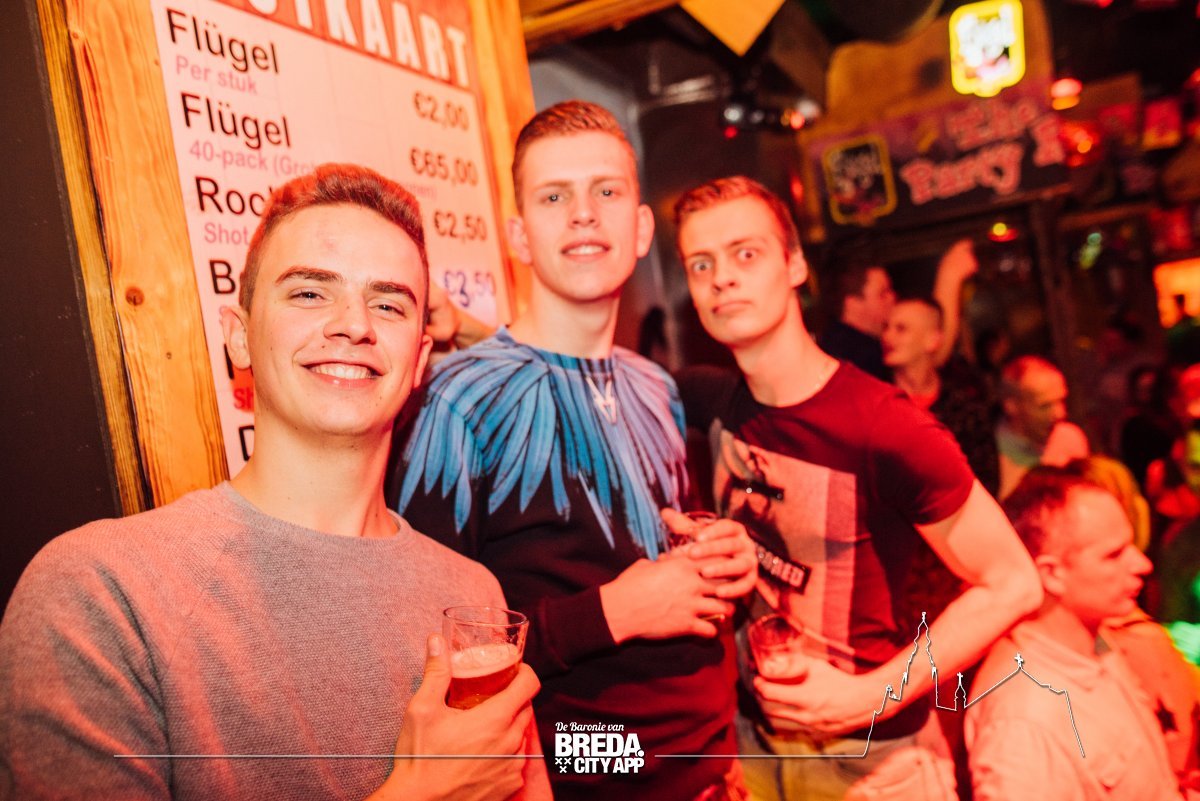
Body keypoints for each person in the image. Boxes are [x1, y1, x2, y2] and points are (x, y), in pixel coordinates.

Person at [0, 164, 549, 801]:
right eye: (310, 293)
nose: (355, 325)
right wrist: (426, 791)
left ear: (420, 360)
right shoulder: (100, 592)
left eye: (388, 304)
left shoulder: (471, 596)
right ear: (239, 338)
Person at [395, 101, 757, 801]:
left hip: (717, 764)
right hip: (589, 777)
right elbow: (427, 648)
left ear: (642, 229)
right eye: (555, 197)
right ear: (520, 237)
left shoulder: (655, 385)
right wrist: (615, 611)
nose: (584, 215)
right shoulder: (458, 400)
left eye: (606, 192)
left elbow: (660, 563)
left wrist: (720, 553)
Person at [672, 176, 1041, 801]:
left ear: (795, 265)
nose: (722, 278)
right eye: (700, 264)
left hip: (876, 766)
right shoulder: (715, 400)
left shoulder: (885, 425)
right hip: (757, 750)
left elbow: (1014, 583)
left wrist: (871, 695)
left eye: (745, 254)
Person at [966, 469, 1185, 800]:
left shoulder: (1094, 645)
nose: (1142, 564)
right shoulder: (1024, 719)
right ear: (1052, 574)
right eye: (1114, 555)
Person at [995, 356, 1091, 499]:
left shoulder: (1070, 438)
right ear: (1012, 406)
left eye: (1061, 401)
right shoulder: (991, 456)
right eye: (1045, 406)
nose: (1060, 413)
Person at [817, 245, 895, 381]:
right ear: (853, 304)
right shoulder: (865, 359)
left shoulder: (828, 347)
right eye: (882, 294)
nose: (893, 298)